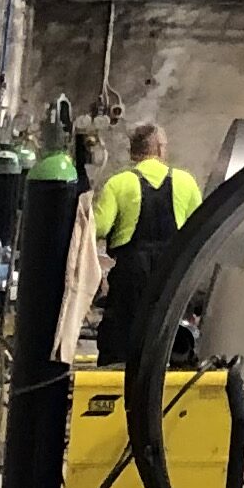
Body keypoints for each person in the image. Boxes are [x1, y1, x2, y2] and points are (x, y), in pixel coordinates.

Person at [91, 121, 202, 368]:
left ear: (133, 151)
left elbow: (99, 227)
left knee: (121, 341)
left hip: (131, 275)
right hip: (172, 274)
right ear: (160, 148)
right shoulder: (186, 182)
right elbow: (200, 230)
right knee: (170, 342)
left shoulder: (118, 183)